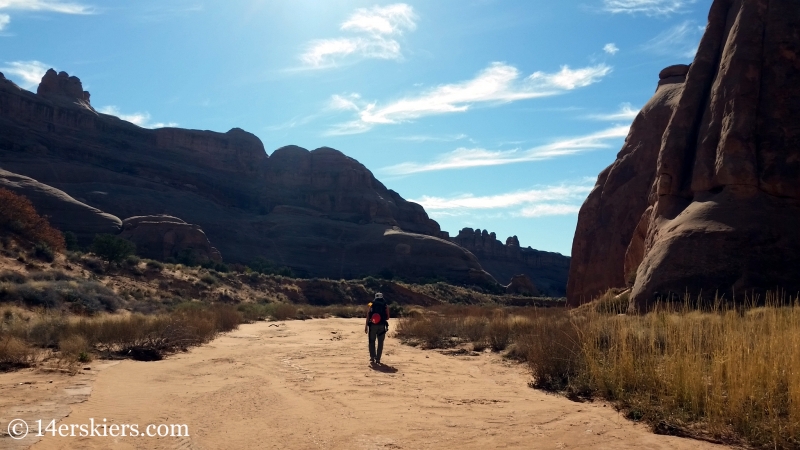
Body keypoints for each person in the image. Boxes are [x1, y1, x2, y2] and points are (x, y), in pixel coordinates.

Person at [365, 292, 390, 365]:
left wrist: (366, 326)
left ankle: (372, 357)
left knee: (371, 341)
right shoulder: (385, 305)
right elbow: (387, 317)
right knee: (380, 342)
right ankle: (378, 359)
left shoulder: (371, 304)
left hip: (372, 325)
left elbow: (368, 314)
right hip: (382, 326)